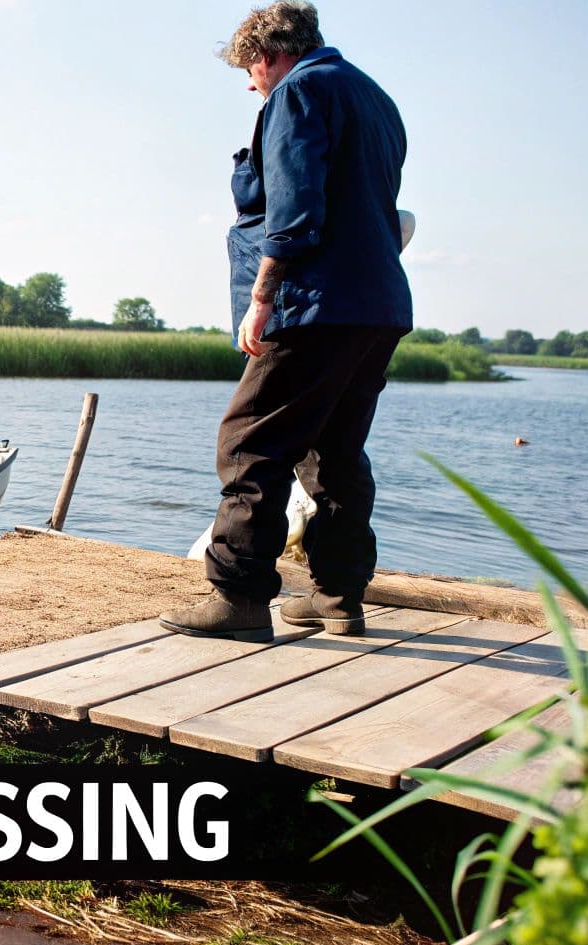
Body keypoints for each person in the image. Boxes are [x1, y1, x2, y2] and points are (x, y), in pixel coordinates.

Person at [160, 1, 412, 642]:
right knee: (333, 452)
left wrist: (265, 295)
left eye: (251, 69)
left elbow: (296, 205)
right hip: (376, 306)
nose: (251, 84)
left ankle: (238, 599)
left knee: (250, 442)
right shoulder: (376, 98)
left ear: (269, 54)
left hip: (311, 303)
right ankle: (337, 599)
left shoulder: (298, 91)